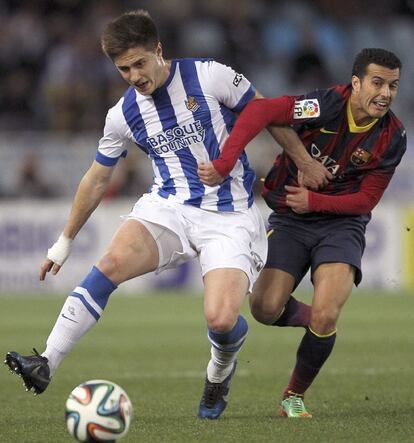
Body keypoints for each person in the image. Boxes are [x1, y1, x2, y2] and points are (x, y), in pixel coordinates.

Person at [4, 10, 330, 419]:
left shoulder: (209, 76)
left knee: (222, 318)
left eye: (140, 63)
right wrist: (64, 242)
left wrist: (303, 160)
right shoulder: (122, 115)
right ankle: (47, 361)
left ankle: (218, 375)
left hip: (229, 215)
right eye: (124, 69)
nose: (135, 75)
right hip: (169, 207)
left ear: (159, 50)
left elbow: (266, 113)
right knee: (109, 265)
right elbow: (96, 179)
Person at [198, 48, 406, 417]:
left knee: (327, 315)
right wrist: (225, 160)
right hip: (292, 219)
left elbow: (365, 201)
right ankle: (319, 321)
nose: (385, 93)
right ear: (356, 83)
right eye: (377, 83)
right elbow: (261, 111)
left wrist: (316, 202)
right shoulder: (324, 105)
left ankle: (294, 394)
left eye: (393, 85)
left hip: (342, 225)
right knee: (263, 307)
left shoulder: (392, 136)